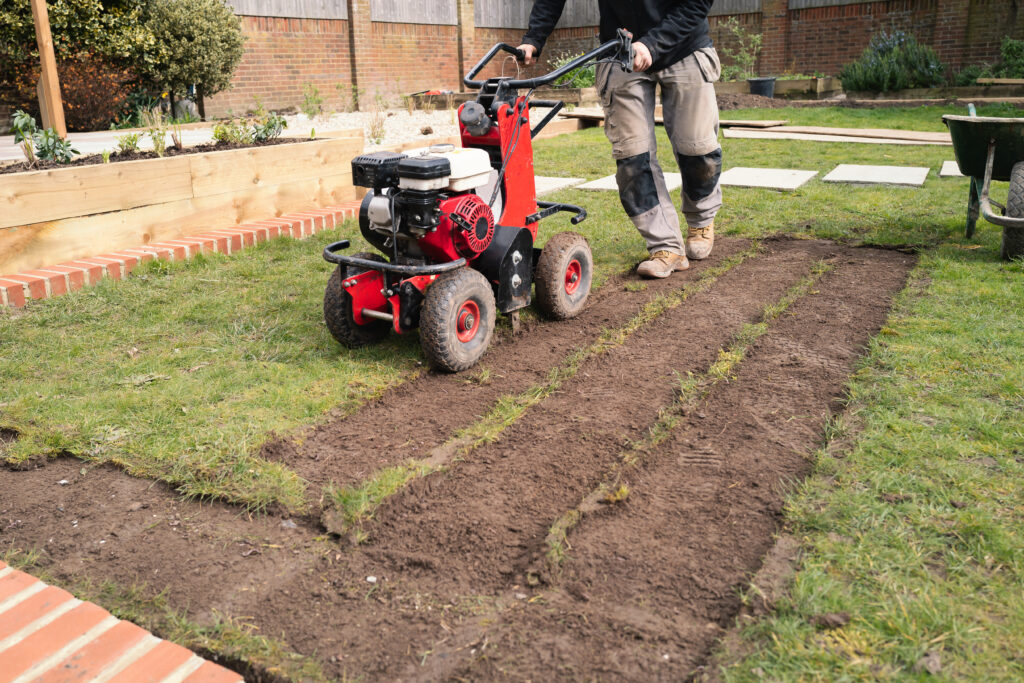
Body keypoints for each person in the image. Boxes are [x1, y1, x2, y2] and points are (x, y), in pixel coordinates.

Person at [518, 0, 722, 279]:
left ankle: (700, 220)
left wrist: (651, 44)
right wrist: (534, 37)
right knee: (632, 158)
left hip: (684, 44)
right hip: (621, 51)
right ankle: (665, 246)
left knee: (697, 149)